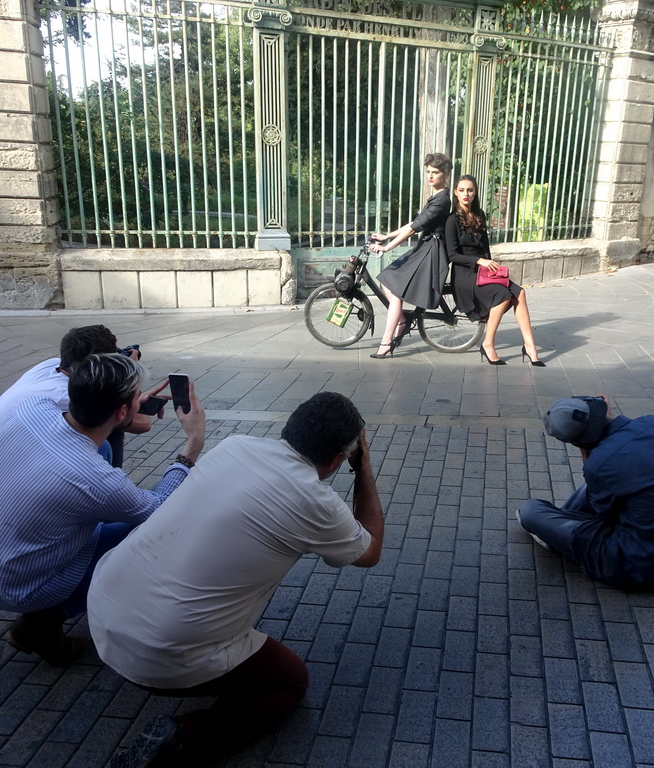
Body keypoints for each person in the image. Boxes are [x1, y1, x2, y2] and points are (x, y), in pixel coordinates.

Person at [88, 392, 384, 767]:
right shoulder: (316, 502)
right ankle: (186, 738)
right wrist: (366, 468)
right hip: (157, 653)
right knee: (291, 681)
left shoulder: (235, 446)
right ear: (338, 458)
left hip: (102, 606)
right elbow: (370, 551)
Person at [0, 353, 206, 665]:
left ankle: (45, 611)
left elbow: (92, 428)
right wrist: (193, 442)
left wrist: (124, 407)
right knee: (151, 532)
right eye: (132, 403)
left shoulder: (32, 410)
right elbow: (158, 508)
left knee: (101, 447)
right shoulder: (95, 480)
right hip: (12, 586)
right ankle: (41, 623)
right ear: (122, 410)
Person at [516, 395, 654, 591]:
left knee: (529, 510)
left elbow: (602, 514)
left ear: (578, 443)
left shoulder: (599, 465)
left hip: (634, 566)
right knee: (599, 484)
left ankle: (557, 535)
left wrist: (587, 457)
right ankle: (559, 529)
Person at [0, 325, 148, 467]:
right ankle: (109, 487)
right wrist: (128, 372)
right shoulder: (68, 396)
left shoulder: (48, 366)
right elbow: (142, 424)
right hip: (18, 470)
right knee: (108, 428)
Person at [444, 174, 545, 366]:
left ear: (475, 193)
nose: (466, 194)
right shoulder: (452, 221)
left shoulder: (479, 214)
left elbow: (486, 248)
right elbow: (452, 255)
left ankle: (530, 346)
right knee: (502, 295)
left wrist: (491, 266)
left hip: (484, 270)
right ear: (456, 193)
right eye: (462, 190)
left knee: (520, 293)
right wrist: (479, 261)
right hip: (465, 274)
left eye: (470, 190)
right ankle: (488, 344)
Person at [367, 152, 453, 358]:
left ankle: (387, 340)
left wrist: (387, 247)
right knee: (388, 281)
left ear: (445, 173)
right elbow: (412, 224)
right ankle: (403, 321)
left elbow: (413, 229)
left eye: (435, 172)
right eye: (428, 172)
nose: (430, 176)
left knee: (395, 290)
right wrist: (387, 236)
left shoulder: (441, 200)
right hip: (426, 247)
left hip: (432, 252)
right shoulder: (435, 197)